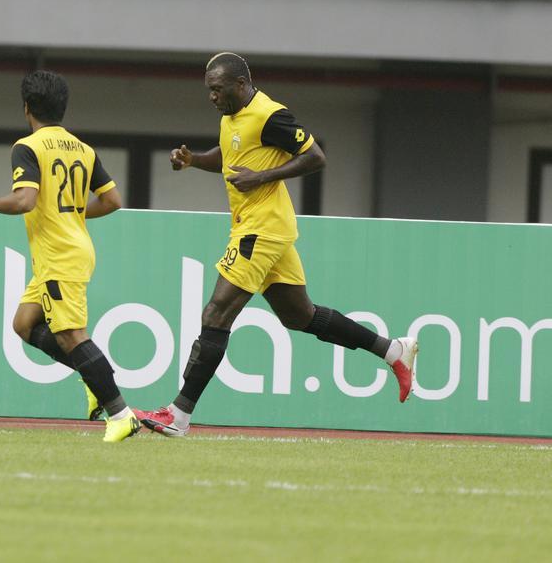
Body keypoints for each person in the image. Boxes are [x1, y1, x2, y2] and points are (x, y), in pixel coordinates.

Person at [137, 52, 418, 438]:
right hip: (263, 229)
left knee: (216, 313)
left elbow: (315, 156)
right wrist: (194, 160)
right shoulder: (231, 116)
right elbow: (231, 154)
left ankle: (179, 414)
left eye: (217, 90)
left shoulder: (271, 115)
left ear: (240, 84)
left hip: (262, 230)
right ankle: (393, 351)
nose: (212, 97)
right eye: (209, 91)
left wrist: (262, 177)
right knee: (299, 315)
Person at [0, 70, 141, 443]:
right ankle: (92, 378)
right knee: (24, 324)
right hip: (70, 249)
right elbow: (112, 201)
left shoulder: (28, 146)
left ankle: (121, 413)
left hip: (59, 255)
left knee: (70, 335)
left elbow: (24, 200)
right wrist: (74, 214)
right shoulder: (83, 148)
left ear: (27, 107)